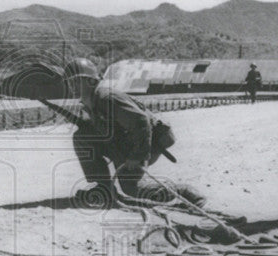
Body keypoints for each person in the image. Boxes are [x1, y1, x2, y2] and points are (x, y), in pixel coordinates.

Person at [66, 58, 203, 208]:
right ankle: (105, 188)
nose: (72, 86)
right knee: (81, 137)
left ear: (90, 81)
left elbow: (141, 122)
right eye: (70, 82)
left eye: (76, 81)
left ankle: (185, 192)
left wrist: (136, 157)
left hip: (146, 143)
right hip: (125, 142)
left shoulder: (106, 98)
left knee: (134, 189)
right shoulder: (91, 100)